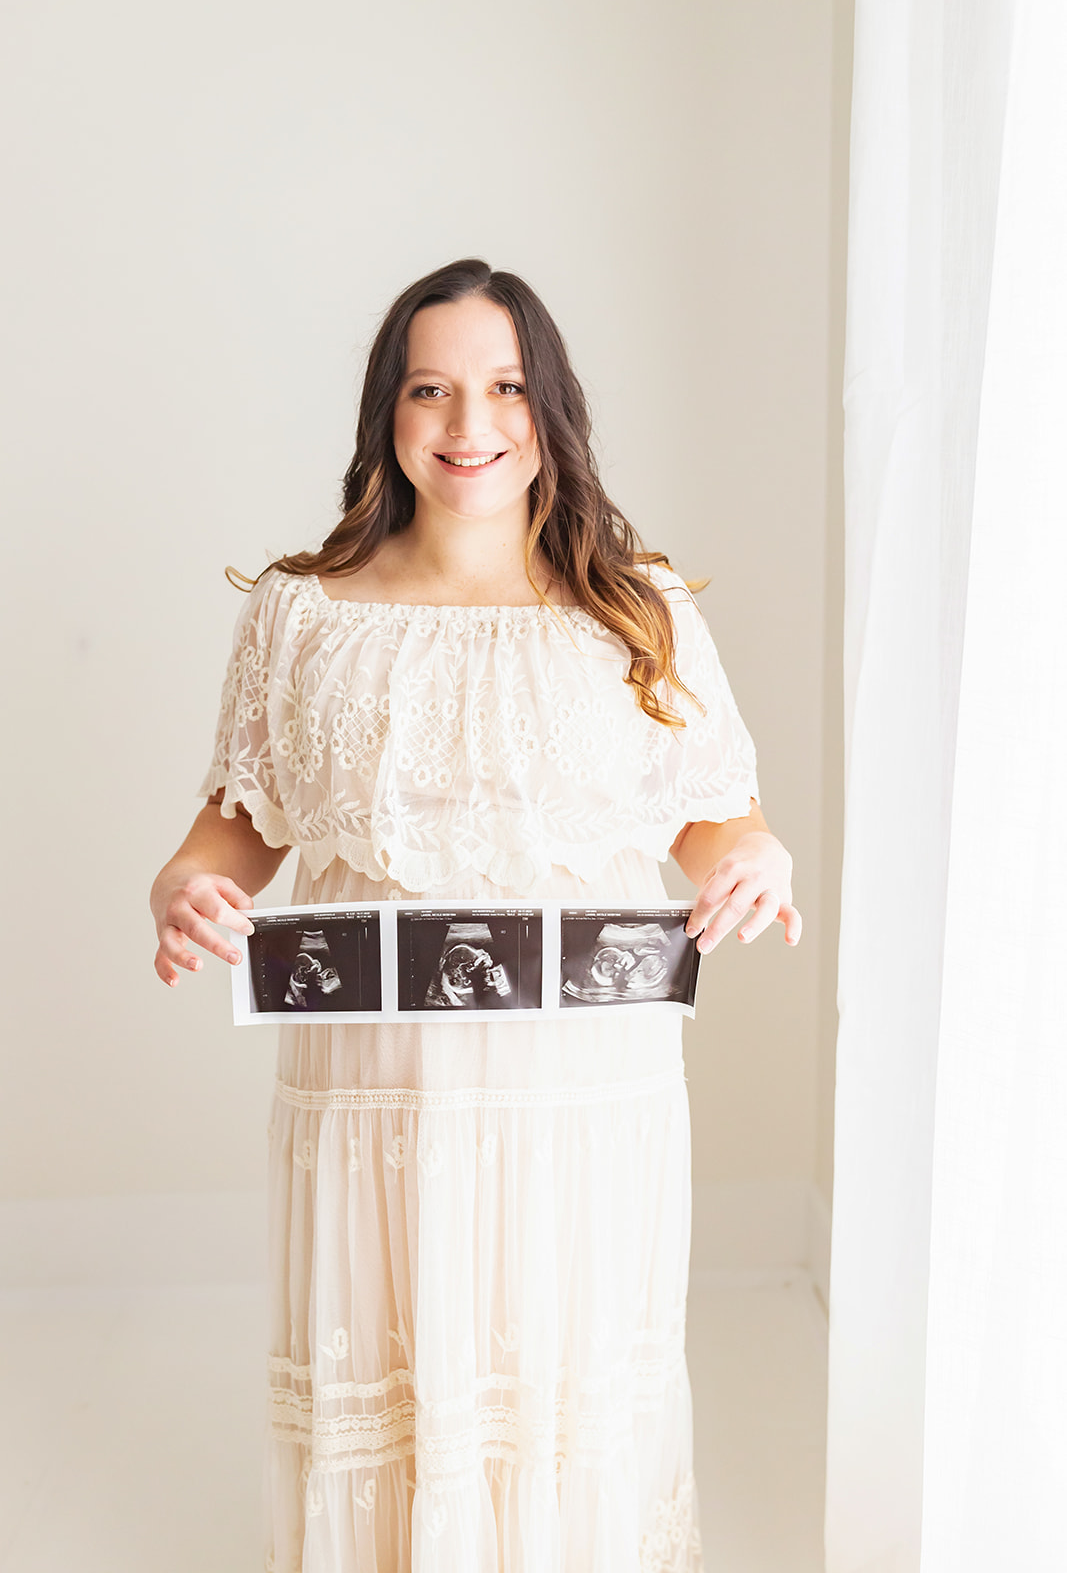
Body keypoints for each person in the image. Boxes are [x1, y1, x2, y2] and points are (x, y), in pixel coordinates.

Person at [149, 257, 802, 1573]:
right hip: (377, 1095)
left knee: (561, 1379)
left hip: (583, 1093)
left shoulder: (637, 609)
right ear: (386, 419)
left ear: (548, 408)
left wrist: (758, 855)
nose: (469, 424)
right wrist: (187, 886)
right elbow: (240, 823)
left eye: (504, 386)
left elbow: (713, 813)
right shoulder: (300, 616)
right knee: (401, 1367)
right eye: (430, 390)